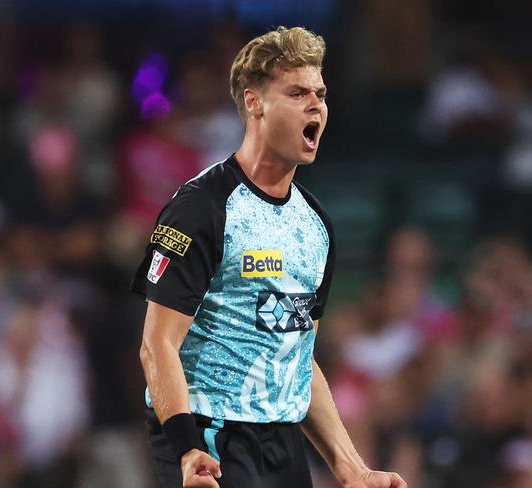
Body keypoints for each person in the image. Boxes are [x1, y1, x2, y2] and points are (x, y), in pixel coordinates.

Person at [131, 26, 407, 488]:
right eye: (297, 92)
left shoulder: (315, 225)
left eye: (320, 93)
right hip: (211, 434)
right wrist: (186, 450)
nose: (316, 104)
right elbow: (156, 345)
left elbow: (299, 359)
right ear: (254, 103)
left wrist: (352, 469)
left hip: (282, 443)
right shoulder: (201, 208)